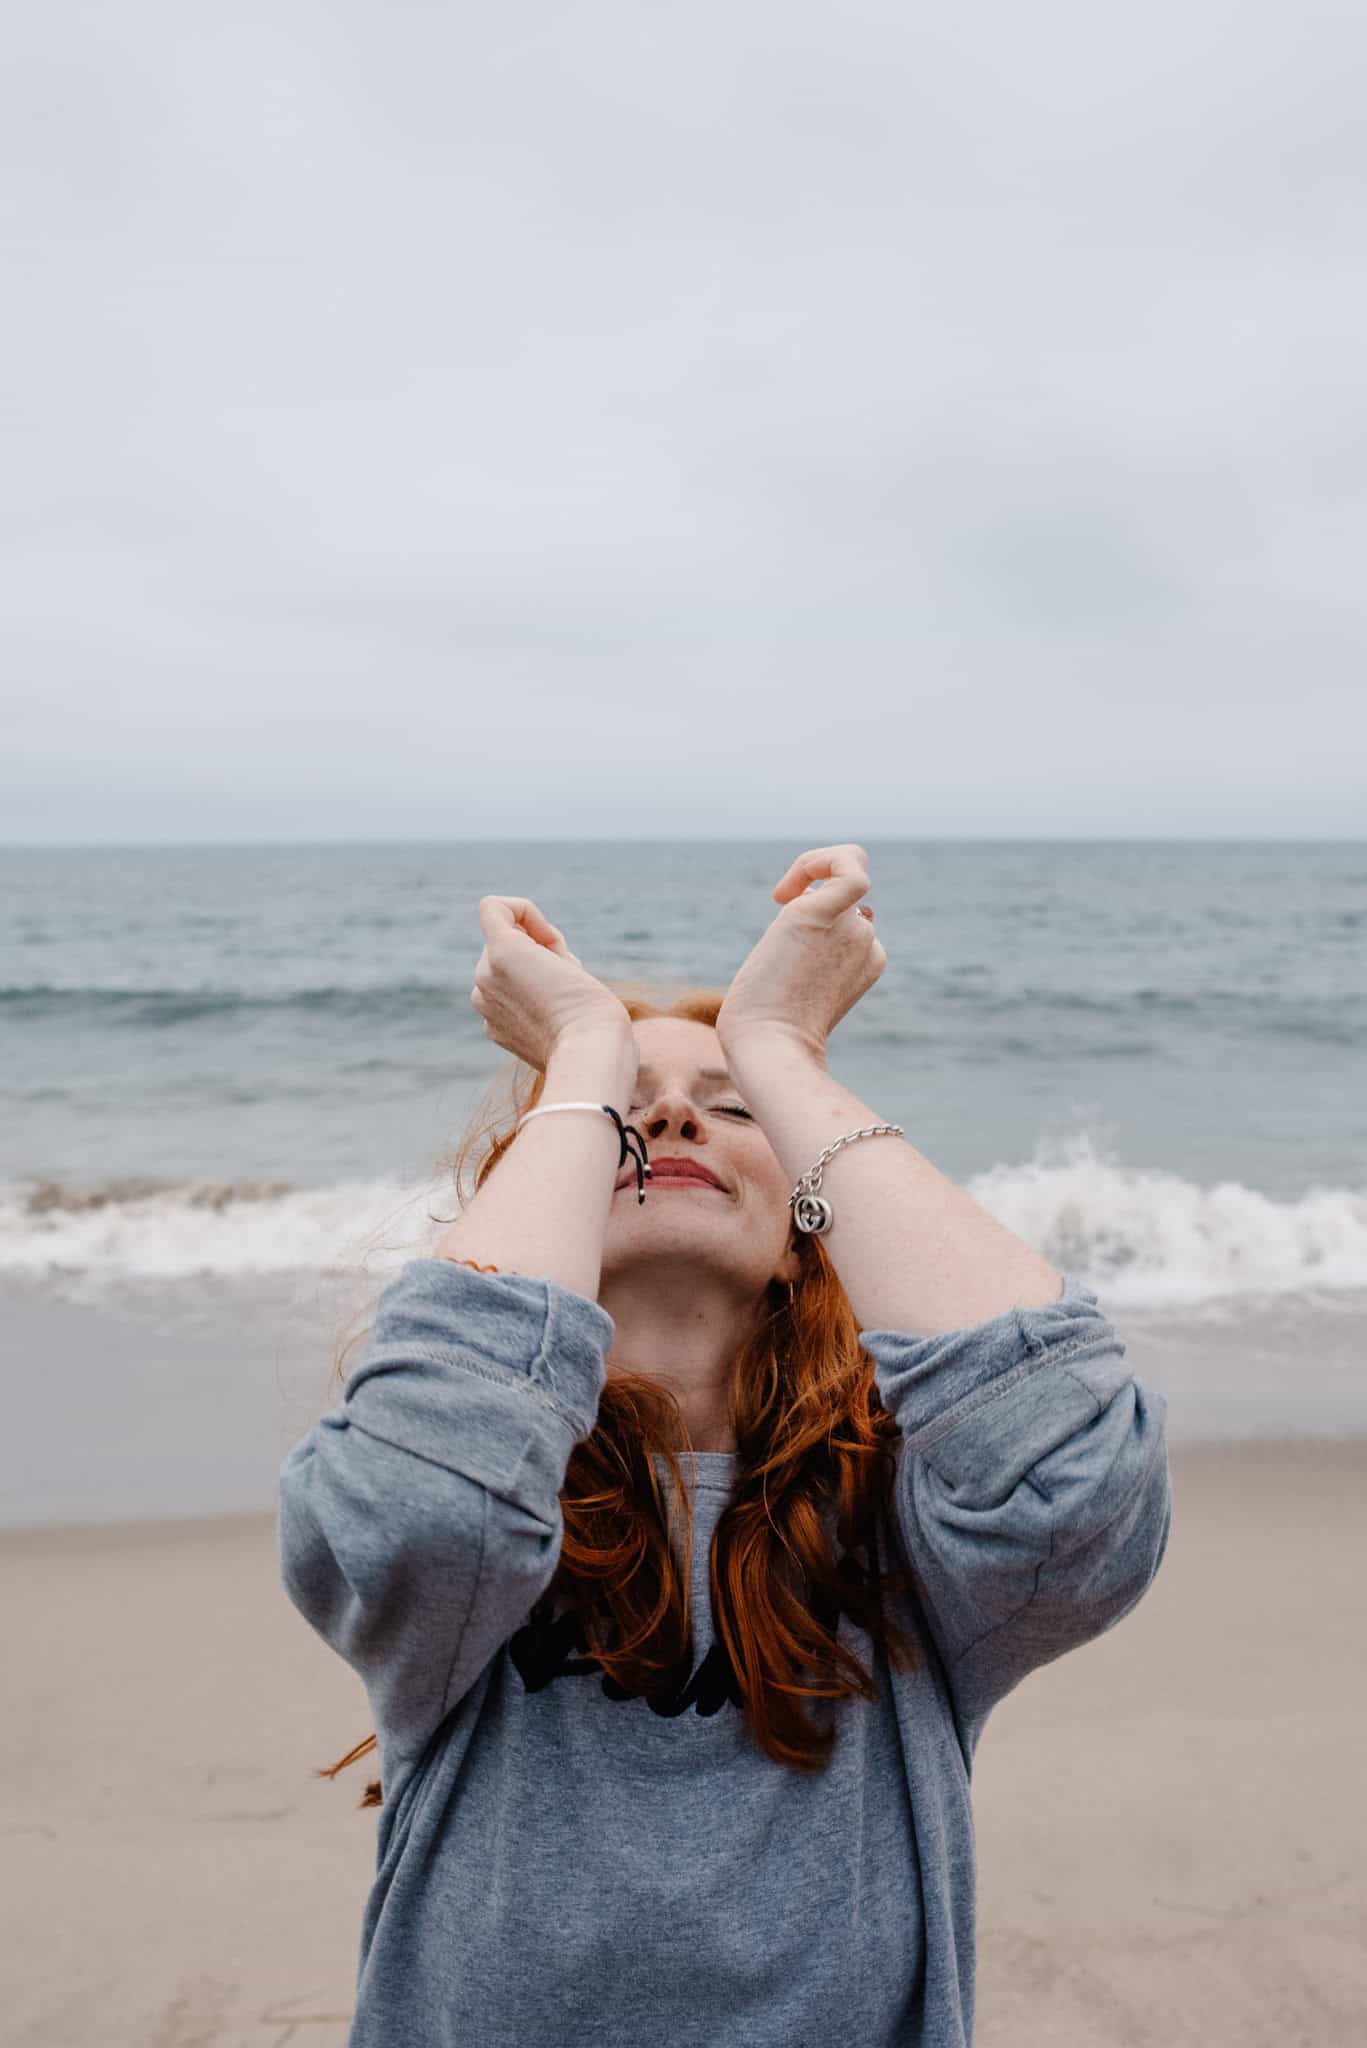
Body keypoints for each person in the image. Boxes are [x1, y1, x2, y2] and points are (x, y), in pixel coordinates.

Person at [278, 843, 1172, 2047]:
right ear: (534, 1205)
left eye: (732, 1105)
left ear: (813, 1227)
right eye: (609, 1116)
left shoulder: (909, 1525)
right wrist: (576, 1053)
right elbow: (413, 1505)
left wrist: (786, 1050)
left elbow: (1075, 1481)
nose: (668, 1111)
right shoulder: (476, 1516)